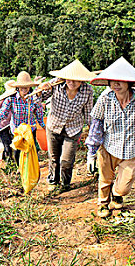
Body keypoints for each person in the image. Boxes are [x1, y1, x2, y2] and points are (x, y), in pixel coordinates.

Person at [85, 57, 135, 218]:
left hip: (131, 149)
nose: (115, 84)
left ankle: (117, 194)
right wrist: (91, 152)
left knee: (124, 186)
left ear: (129, 83)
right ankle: (103, 203)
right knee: (105, 179)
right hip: (109, 146)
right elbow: (96, 125)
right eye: (112, 81)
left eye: (120, 81)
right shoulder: (105, 98)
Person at [39, 60, 95, 191]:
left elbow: (88, 113)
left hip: (73, 129)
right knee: (53, 157)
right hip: (54, 126)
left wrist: (94, 133)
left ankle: (65, 184)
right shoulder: (55, 84)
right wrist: (41, 89)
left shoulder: (87, 90)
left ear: (82, 80)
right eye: (69, 79)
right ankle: (53, 180)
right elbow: (38, 99)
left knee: (66, 160)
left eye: (75, 79)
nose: (71, 82)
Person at [0, 72, 45, 164]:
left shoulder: (34, 98)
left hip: (30, 129)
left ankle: (29, 170)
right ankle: (19, 167)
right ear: (18, 87)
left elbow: (39, 112)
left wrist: (42, 125)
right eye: (22, 87)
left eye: (26, 87)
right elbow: (3, 112)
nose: (24, 89)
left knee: (30, 151)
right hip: (17, 130)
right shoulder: (11, 99)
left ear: (30, 87)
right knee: (17, 152)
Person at [0, 80, 15, 161]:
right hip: (3, 126)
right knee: (6, 143)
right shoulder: (3, 101)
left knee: (14, 143)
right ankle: (8, 160)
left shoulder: (19, 100)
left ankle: (11, 158)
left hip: (14, 126)